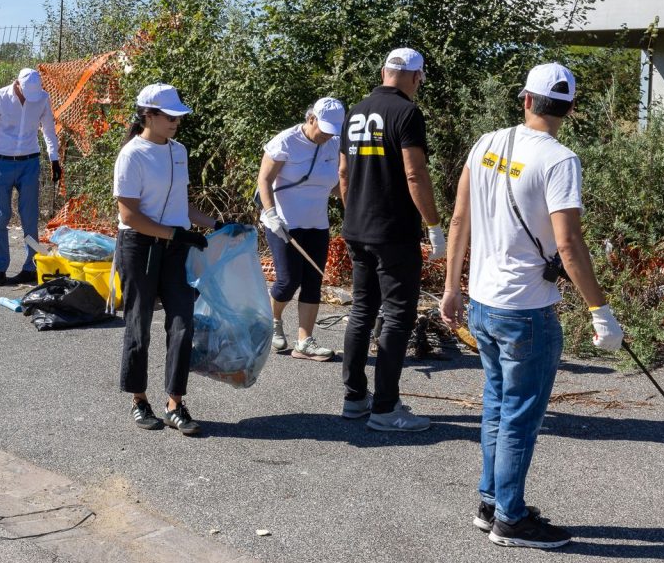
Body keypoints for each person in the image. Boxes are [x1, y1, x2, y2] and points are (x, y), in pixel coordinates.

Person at [439, 63, 624, 549]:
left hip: (482, 302)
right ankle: (511, 520)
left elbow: (459, 219)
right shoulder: (560, 160)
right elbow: (569, 244)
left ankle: (491, 503)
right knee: (519, 416)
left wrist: (452, 287)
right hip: (526, 310)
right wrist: (600, 311)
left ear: (526, 99)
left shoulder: (486, 143)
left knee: (497, 407)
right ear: (570, 109)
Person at [113, 83, 241, 436]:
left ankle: (175, 403)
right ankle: (139, 400)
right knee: (138, 324)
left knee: (183, 322)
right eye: (169, 116)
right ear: (148, 115)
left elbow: (181, 205)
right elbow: (129, 215)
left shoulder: (178, 151)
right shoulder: (131, 155)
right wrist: (176, 234)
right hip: (139, 246)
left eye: (178, 116)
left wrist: (216, 225)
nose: (176, 122)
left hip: (175, 248)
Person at [338, 47, 446, 432]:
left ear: (383, 71)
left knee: (362, 312)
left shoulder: (355, 111)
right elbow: (414, 174)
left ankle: (355, 398)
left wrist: (355, 214)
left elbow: (344, 173)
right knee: (398, 317)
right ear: (416, 77)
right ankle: (385, 408)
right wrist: (434, 225)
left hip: (357, 229)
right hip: (394, 232)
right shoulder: (407, 112)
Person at [257, 97, 346, 361]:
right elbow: (264, 179)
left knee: (313, 281)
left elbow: (336, 184)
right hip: (283, 222)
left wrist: (353, 206)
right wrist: (271, 214)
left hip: (317, 223)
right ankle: (273, 320)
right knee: (288, 280)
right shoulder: (286, 141)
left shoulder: (334, 143)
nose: (328, 135)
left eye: (333, 130)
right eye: (324, 129)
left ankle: (305, 341)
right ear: (311, 119)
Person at [0, 68, 62, 286]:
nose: (29, 98)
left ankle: (31, 266)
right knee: (0, 217)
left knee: (30, 217)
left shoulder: (42, 98)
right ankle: (1, 269)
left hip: (29, 163)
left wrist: (54, 159)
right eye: (26, 93)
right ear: (17, 84)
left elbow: (49, 130)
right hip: (1, 163)